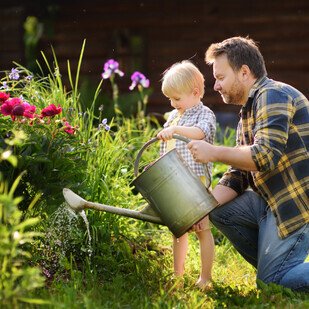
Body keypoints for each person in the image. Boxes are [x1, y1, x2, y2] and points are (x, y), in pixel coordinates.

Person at [187, 36, 309, 292]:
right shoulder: (247, 113)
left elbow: (264, 156)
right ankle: (276, 266)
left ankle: (277, 272)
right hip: (270, 202)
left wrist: (214, 152)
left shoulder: (273, 94)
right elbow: (239, 175)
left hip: (294, 204)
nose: (216, 85)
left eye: (220, 77)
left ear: (244, 72)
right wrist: (199, 209)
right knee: (218, 210)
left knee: (272, 283)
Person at [157, 60, 216, 289]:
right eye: (170, 99)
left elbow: (200, 134)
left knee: (202, 230)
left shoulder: (205, 114)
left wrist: (175, 130)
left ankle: (205, 277)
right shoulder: (174, 116)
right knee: (178, 230)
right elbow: (168, 148)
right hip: (175, 183)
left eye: (177, 99)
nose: (173, 104)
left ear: (195, 92)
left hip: (195, 184)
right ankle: (178, 274)